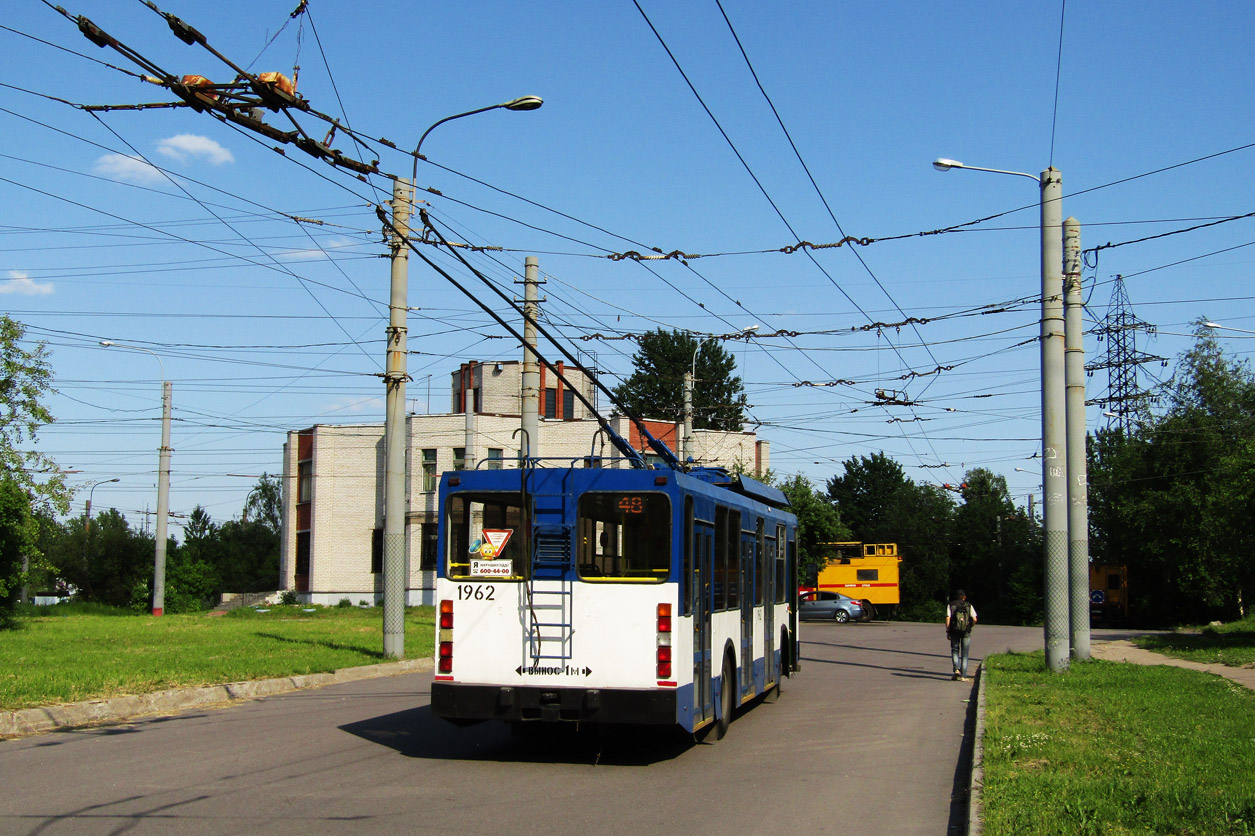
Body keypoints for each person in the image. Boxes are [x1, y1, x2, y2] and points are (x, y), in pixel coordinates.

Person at [945, 589, 977, 681]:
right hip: (966, 631)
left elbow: (948, 618)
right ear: (964, 597)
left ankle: (956, 670)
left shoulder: (951, 605)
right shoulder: (968, 605)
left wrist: (948, 631)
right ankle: (964, 675)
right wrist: (969, 626)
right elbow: (975, 619)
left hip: (954, 631)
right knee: (965, 654)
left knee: (955, 650)